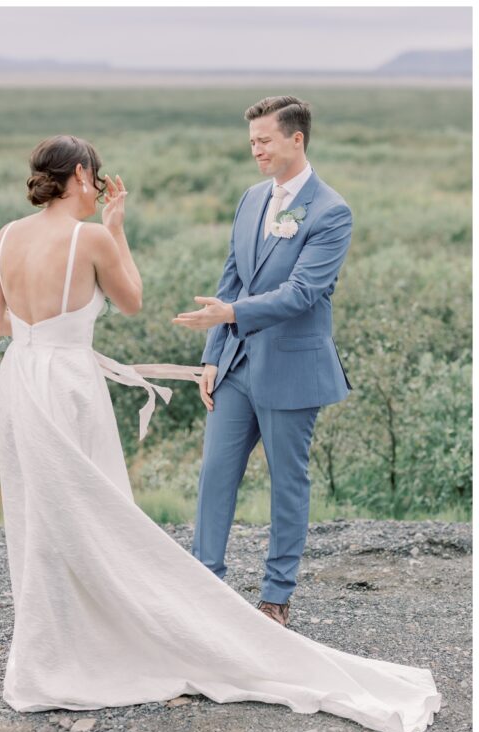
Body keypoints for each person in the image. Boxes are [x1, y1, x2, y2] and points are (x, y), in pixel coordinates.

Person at [0, 134, 440, 732]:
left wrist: (36, 330)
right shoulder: (89, 237)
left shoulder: (4, 237)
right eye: (98, 175)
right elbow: (133, 300)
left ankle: (47, 648)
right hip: (67, 380)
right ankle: (109, 629)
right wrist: (116, 229)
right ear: (83, 176)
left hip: (21, 379)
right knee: (92, 505)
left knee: (41, 508)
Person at [172, 96, 353, 627]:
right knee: (215, 475)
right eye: (252, 141)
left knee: (287, 483)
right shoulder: (251, 198)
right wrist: (213, 354)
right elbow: (232, 274)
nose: (256, 150)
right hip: (236, 365)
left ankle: (275, 598)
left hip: (293, 369)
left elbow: (303, 293)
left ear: (296, 140)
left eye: (265, 140)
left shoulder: (331, 211)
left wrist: (231, 312)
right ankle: (206, 583)